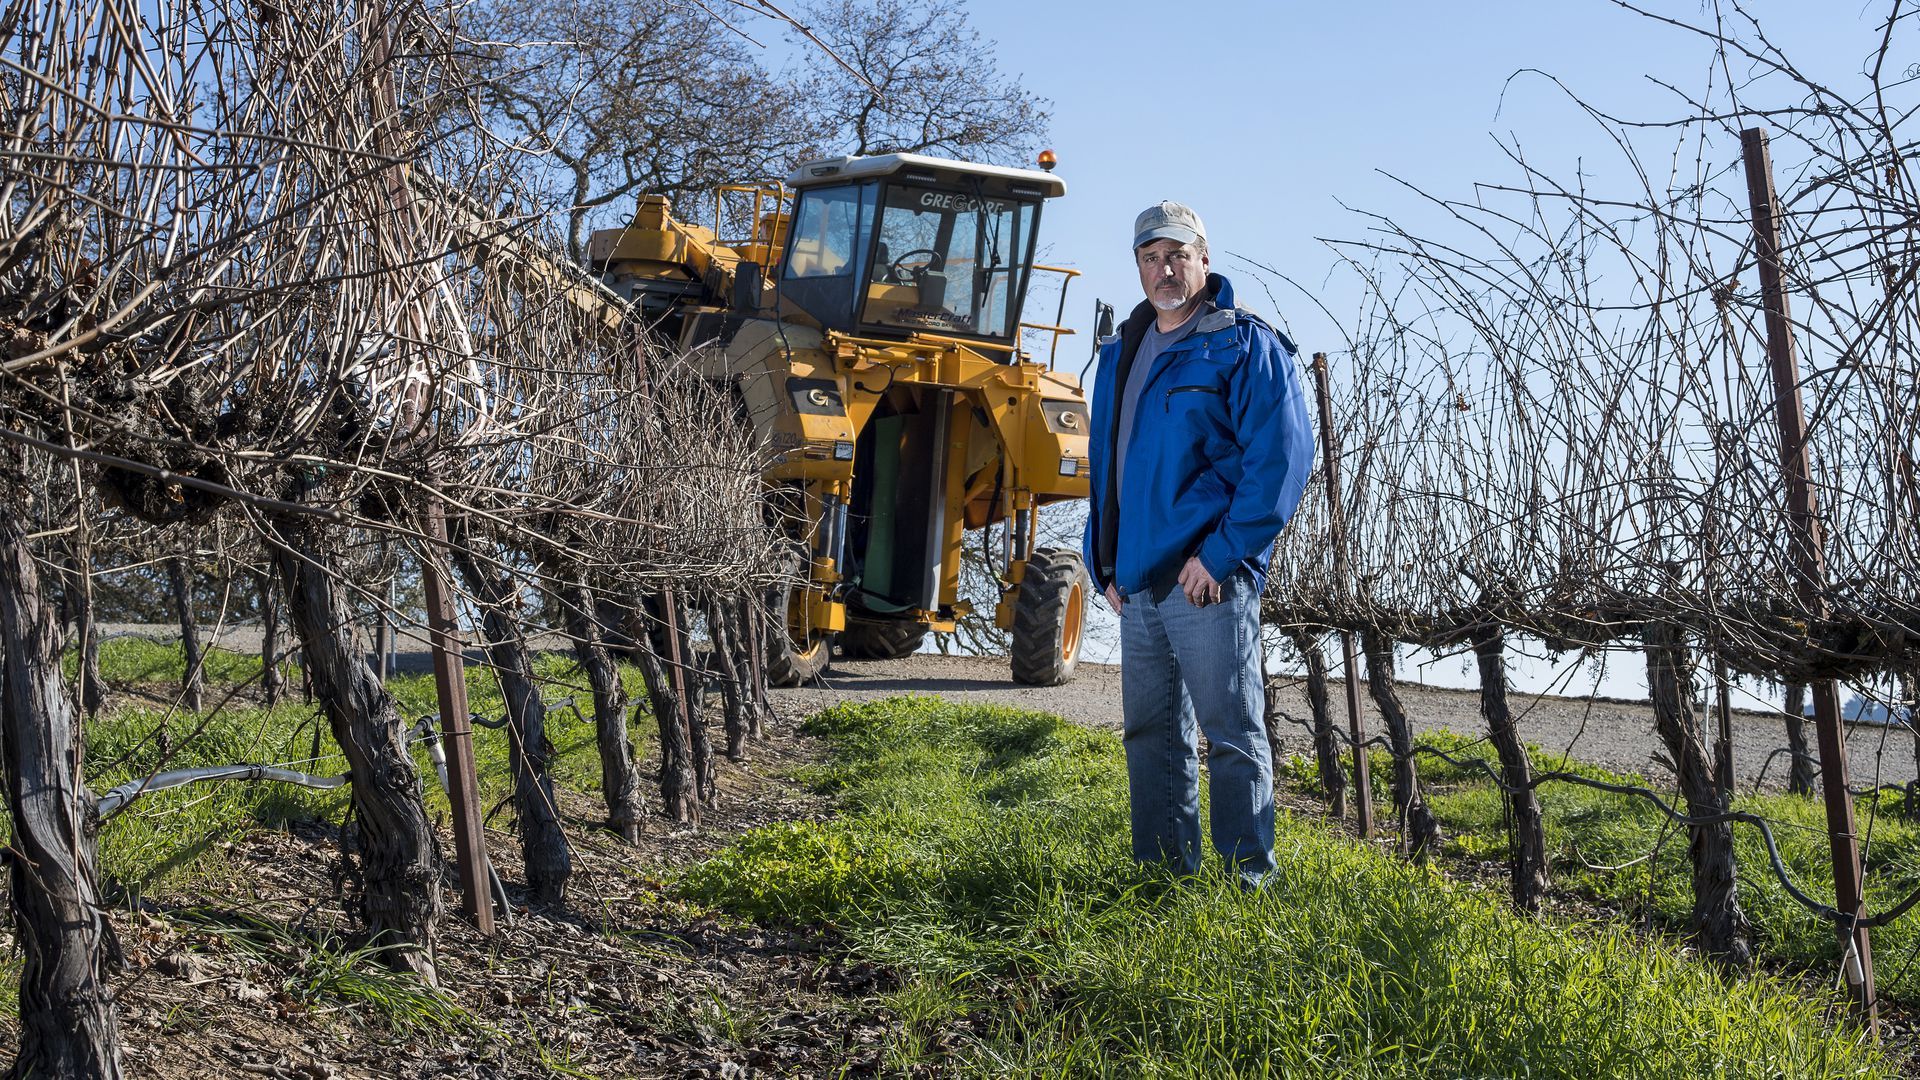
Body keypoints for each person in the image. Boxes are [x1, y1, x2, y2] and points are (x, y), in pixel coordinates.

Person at [1082, 200, 1315, 888]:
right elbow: (1110, 467)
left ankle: (1250, 884)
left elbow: (1282, 460)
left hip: (1206, 577)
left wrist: (1218, 555)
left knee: (1232, 735)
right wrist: (1105, 561)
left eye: (1177, 255)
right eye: (1151, 258)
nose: (1165, 270)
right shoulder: (1121, 352)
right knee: (1150, 736)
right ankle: (1163, 880)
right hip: (1138, 582)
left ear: (1204, 259)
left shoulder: (1243, 345)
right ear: (1139, 267)